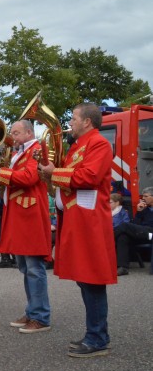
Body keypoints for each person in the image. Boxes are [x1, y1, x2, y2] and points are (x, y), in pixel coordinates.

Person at [39, 102, 117, 357]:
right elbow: (70, 175)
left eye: (73, 118)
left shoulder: (100, 144)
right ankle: (94, 334)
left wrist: (54, 173)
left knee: (92, 279)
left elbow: (89, 177)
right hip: (77, 217)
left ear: (87, 121)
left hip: (89, 219)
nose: (70, 122)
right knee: (85, 280)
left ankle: (98, 338)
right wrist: (48, 174)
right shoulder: (79, 146)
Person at [0, 120, 52, 334]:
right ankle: (32, 312)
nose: (12, 136)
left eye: (17, 132)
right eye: (12, 132)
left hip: (29, 215)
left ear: (29, 133)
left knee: (33, 268)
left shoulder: (36, 150)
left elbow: (29, 178)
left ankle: (41, 316)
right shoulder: (20, 152)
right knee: (25, 267)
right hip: (20, 214)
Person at [112, 187, 153, 276]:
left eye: (146, 196)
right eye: (143, 196)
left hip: (150, 232)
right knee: (123, 236)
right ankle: (123, 267)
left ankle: (109, 240)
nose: (143, 198)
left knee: (124, 226)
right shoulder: (145, 209)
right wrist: (139, 211)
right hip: (141, 233)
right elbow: (135, 224)